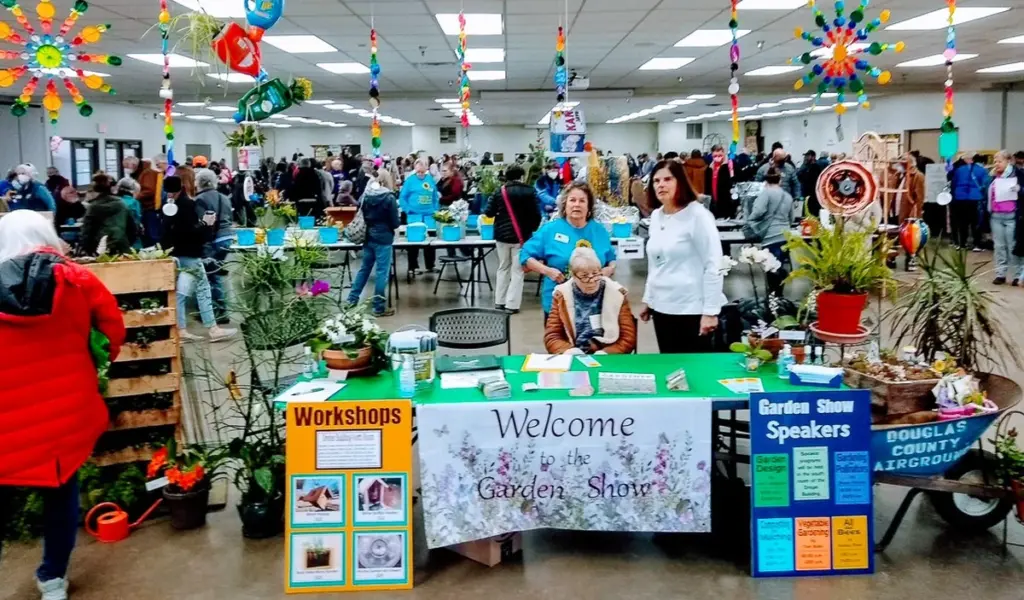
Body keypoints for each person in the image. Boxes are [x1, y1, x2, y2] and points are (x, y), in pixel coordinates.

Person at [0, 209, 126, 600]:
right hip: (63, 415)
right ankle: (52, 579)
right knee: (60, 495)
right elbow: (112, 333)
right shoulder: (77, 280)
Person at [642, 159, 726, 353]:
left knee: (694, 372)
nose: (661, 185)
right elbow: (655, 263)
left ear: (680, 181)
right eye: (656, 181)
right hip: (662, 309)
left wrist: (711, 311)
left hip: (692, 310)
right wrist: (649, 298)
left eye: (667, 179)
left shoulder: (698, 216)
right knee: (671, 371)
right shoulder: (656, 216)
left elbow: (714, 264)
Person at [521, 182, 616, 318]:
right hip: (558, 303)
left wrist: (609, 269)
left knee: (591, 339)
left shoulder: (599, 230)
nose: (577, 204)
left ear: (589, 207)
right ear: (565, 205)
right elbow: (525, 255)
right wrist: (547, 271)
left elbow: (611, 258)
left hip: (594, 304)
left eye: (582, 201)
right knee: (558, 340)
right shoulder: (550, 229)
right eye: (572, 200)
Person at [160, 176, 236, 342]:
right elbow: (190, 232)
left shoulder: (168, 206)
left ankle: (181, 329)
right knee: (202, 288)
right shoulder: (188, 205)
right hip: (190, 253)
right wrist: (205, 224)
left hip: (174, 254)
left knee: (180, 292)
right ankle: (213, 329)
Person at [544, 247, 637, 355]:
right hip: (575, 353)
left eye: (595, 274)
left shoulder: (617, 293)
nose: (592, 281)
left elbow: (628, 338)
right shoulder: (562, 295)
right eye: (584, 276)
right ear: (573, 276)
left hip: (608, 355)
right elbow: (552, 336)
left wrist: (607, 353)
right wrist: (569, 351)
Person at [484, 165, 542, 314]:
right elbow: (536, 214)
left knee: (503, 267)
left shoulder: (499, 191)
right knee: (517, 270)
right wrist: (532, 229)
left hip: (501, 237)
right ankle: (512, 305)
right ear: (522, 176)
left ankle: (499, 301)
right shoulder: (529, 191)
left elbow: (488, 213)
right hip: (521, 237)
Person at [346, 179, 400, 317]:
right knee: (382, 272)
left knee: (364, 269)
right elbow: (395, 223)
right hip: (384, 238)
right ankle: (378, 307)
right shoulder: (389, 198)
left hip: (368, 236)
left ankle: (351, 300)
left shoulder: (365, 196)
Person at [194, 169, 234, 324]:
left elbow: (205, 222)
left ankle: (214, 311)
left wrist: (204, 242)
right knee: (215, 273)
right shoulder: (224, 197)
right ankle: (220, 310)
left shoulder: (200, 199)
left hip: (213, 239)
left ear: (199, 182)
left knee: (209, 275)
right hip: (227, 236)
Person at [746, 168, 794, 294]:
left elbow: (758, 211)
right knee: (781, 266)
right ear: (780, 180)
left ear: (766, 180)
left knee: (771, 267)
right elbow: (791, 218)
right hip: (785, 236)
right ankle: (779, 296)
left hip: (770, 236)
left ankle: (773, 297)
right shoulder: (788, 196)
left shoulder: (765, 194)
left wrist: (751, 220)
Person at [79, 173, 138, 257]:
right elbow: (133, 229)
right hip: (122, 248)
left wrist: (87, 250)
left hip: (99, 250)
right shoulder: (122, 204)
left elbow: (87, 232)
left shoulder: (93, 208)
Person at [398, 158, 439, 276]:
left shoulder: (430, 180)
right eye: (419, 172)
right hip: (414, 217)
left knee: (431, 243)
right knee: (413, 244)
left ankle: (430, 265)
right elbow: (402, 198)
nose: (421, 174)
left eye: (423, 171)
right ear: (415, 170)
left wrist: (436, 210)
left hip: (429, 217)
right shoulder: (410, 181)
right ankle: (413, 267)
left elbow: (435, 196)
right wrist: (407, 210)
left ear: (426, 169)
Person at [987, 151, 1023, 285]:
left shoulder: (1018, 174)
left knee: (1013, 246)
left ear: (1008, 161)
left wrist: (1020, 189)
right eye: (995, 161)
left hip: (1012, 215)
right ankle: (1000, 274)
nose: (997, 164)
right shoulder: (992, 176)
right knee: (999, 246)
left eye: (999, 161)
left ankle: (1017, 275)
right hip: (996, 216)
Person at [950, 153, 989, 250]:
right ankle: (976, 244)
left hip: (960, 198)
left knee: (962, 222)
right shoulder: (981, 170)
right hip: (975, 198)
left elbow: (954, 183)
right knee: (975, 222)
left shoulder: (959, 170)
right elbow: (986, 184)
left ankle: (962, 244)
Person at [897, 156, 926, 271]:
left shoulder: (918, 176)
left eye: (902, 163)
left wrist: (915, 214)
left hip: (910, 213)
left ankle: (912, 262)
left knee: (912, 238)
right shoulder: (902, 175)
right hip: (899, 210)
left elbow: (920, 197)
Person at [136, 154, 167, 246]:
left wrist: (136, 197)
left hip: (151, 209)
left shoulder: (149, 173)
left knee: (152, 236)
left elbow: (149, 190)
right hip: (161, 209)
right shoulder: (163, 174)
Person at [703, 145, 735, 219]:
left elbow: (738, 178)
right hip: (713, 202)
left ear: (724, 154)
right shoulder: (709, 168)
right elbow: (707, 186)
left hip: (727, 202)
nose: (717, 158)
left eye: (720, 155)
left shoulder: (730, 166)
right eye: (715, 156)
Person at [116, 177, 143, 248]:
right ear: (133, 191)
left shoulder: (114, 201)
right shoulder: (134, 203)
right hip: (133, 242)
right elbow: (137, 221)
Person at [797, 150, 824, 217]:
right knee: (806, 213)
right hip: (806, 194)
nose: (806, 157)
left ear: (813, 157)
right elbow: (799, 176)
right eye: (805, 156)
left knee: (814, 214)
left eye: (808, 156)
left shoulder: (817, 167)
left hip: (814, 195)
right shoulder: (805, 166)